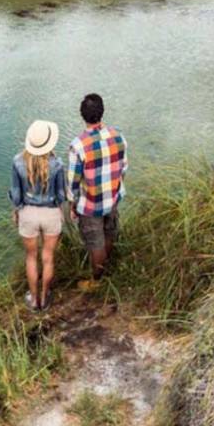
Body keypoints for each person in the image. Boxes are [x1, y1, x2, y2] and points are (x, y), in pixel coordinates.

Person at [67, 93, 127, 291]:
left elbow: (73, 182)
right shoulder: (118, 137)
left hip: (91, 204)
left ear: (82, 115)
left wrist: (72, 204)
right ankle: (107, 269)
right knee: (109, 234)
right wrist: (115, 189)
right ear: (102, 112)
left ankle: (98, 281)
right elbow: (123, 169)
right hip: (113, 197)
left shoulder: (78, 145)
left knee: (96, 243)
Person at [10, 119, 67, 310]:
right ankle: (45, 298)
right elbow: (61, 195)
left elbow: (16, 194)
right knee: (48, 257)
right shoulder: (57, 163)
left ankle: (34, 301)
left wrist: (17, 210)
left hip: (28, 214)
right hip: (50, 213)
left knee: (31, 257)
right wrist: (60, 209)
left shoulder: (18, 161)